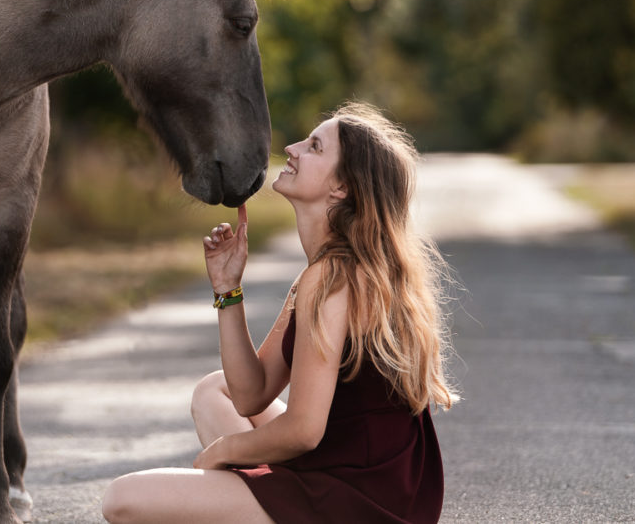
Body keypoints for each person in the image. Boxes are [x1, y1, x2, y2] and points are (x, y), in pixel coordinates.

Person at [101, 101, 459, 524]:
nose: (291, 148)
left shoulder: (333, 279)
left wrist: (222, 453)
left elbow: (304, 430)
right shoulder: (327, 274)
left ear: (341, 187)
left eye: (314, 147)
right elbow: (252, 394)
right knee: (215, 392)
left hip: (359, 501)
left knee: (122, 499)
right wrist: (227, 290)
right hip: (369, 485)